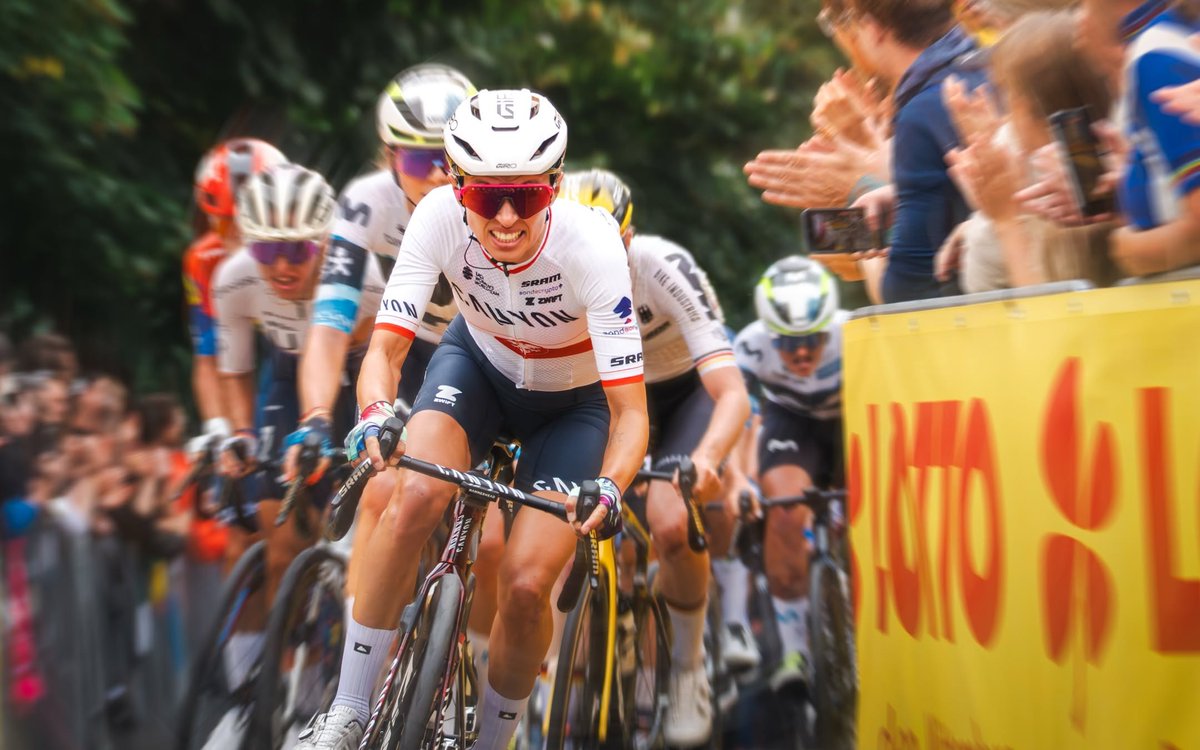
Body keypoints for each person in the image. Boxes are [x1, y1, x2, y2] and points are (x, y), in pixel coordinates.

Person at [297, 89, 648, 750]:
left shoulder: (593, 244)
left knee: (522, 586)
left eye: (530, 196)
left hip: (574, 406)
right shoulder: (435, 217)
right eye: (488, 197)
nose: (509, 218)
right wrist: (372, 414)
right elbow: (387, 349)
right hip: (478, 370)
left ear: (557, 185)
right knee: (413, 495)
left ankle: (493, 740)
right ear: (456, 184)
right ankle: (345, 711)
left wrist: (611, 485)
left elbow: (630, 411)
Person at [561, 168, 752, 744]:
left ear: (631, 237)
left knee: (671, 523)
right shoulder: (542, 275)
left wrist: (711, 458)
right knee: (565, 522)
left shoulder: (662, 266)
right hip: (608, 398)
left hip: (683, 391)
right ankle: (557, 682)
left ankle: (690, 670)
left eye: (612, 246)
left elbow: (732, 391)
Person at [292, 64, 478, 622]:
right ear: (390, 155)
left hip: (482, 355)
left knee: (485, 539)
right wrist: (316, 417)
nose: (440, 177)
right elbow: (328, 329)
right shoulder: (367, 203)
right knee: (383, 488)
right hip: (409, 350)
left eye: (451, 160)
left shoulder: (497, 199)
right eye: (420, 161)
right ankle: (357, 684)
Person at [203, 162, 379, 748]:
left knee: (360, 534)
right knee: (274, 536)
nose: (281, 265)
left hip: (356, 373)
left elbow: (387, 363)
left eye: (298, 250)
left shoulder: (366, 278)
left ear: (325, 243)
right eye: (267, 249)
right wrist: (236, 438)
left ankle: (326, 694)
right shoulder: (231, 279)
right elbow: (234, 372)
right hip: (284, 376)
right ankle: (256, 699)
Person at [733, 256, 848, 691]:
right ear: (767, 332)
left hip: (850, 417)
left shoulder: (854, 333)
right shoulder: (750, 345)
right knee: (782, 515)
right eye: (787, 341)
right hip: (791, 422)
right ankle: (795, 647)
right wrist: (743, 479)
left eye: (814, 338)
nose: (801, 352)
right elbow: (742, 420)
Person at [842, 0, 989, 303]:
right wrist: (900, 193)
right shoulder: (996, 65)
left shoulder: (921, 112)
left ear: (873, 28)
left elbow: (907, 295)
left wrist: (866, 245)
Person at [184, 138, 287, 451]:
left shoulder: (302, 251)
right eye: (224, 222)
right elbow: (208, 357)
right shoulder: (203, 260)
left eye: (247, 224)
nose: (236, 239)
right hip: (246, 342)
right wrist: (218, 425)